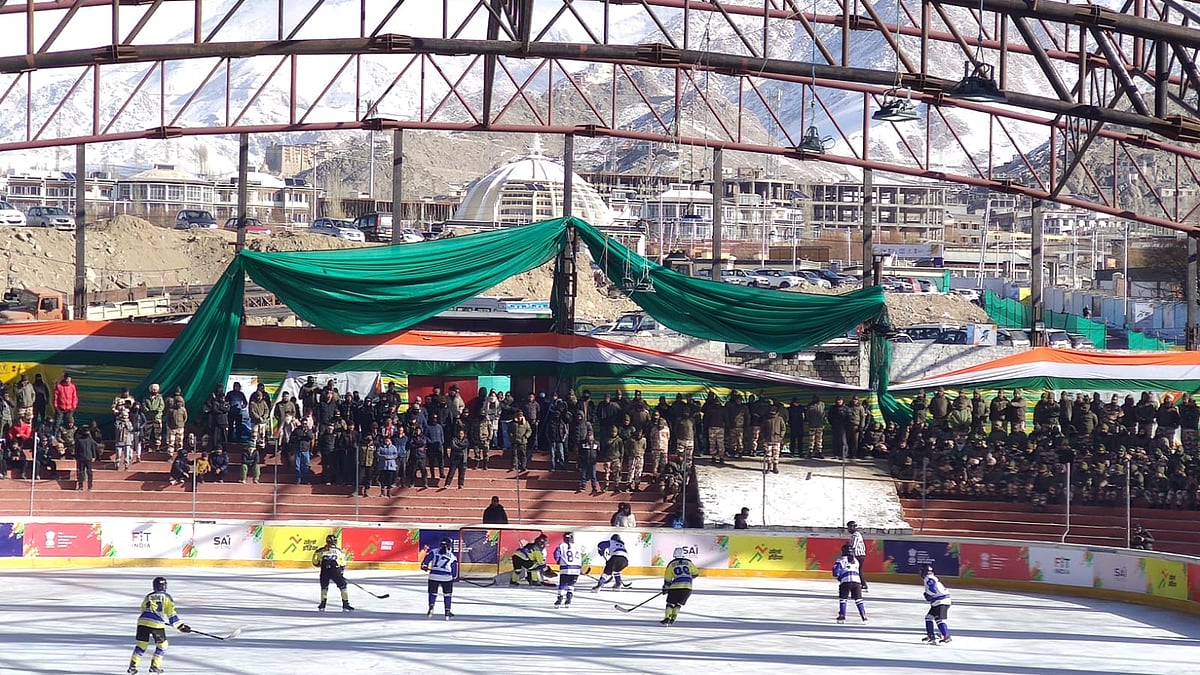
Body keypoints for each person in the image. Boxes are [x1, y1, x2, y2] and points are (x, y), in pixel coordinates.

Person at [127, 576, 191, 675]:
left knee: (141, 645)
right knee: (162, 645)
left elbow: (143, 609)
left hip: (142, 622)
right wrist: (180, 626)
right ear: (164, 586)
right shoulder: (166, 597)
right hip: (156, 624)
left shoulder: (148, 596)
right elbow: (171, 614)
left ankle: (132, 667)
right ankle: (154, 666)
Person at [311, 534, 353, 612]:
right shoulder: (338, 551)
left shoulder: (320, 550)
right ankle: (345, 604)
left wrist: (319, 563)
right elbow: (342, 562)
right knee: (343, 585)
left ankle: (322, 604)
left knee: (324, 587)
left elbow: (315, 561)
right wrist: (341, 572)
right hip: (335, 570)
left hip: (324, 570)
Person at [421, 537, 459, 619]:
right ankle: (447, 611)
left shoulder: (434, 551)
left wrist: (424, 566)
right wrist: (454, 577)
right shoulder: (452, 556)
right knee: (447, 594)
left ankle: (431, 607)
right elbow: (454, 571)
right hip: (446, 577)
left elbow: (425, 562)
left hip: (433, 575)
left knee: (432, 592)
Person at [661, 546, 699, 625]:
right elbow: (696, 573)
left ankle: (667, 617)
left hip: (675, 587)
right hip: (687, 587)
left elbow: (668, 578)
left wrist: (666, 587)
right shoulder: (689, 562)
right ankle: (673, 618)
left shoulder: (671, 564)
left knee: (670, 603)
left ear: (674, 555)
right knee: (678, 604)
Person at [833, 544, 867, 623]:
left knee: (843, 599)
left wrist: (840, 577)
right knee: (859, 600)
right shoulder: (856, 561)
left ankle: (842, 616)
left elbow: (835, 573)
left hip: (845, 581)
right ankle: (863, 616)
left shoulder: (840, 560)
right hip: (857, 582)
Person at [920, 563, 952, 644]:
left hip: (941, 601)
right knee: (928, 617)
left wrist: (929, 595)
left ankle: (946, 636)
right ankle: (930, 636)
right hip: (939, 601)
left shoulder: (929, 579)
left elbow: (933, 589)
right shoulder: (931, 577)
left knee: (939, 619)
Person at [553, 531, 583, 607]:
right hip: (576, 569)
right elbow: (580, 557)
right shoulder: (577, 546)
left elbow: (556, 555)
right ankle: (569, 599)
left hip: (565, 568)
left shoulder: (561, 546)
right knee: (571, 585)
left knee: (562, 585)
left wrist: (558, 561)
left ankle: (560, 598)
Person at [846, 520, 869, 592]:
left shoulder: (856, 535)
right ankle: (862, 584)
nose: (848, 529)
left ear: (853, 527)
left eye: (849, 527)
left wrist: (849, 553)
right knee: (858, 570)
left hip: (858, 555)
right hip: (859, 555)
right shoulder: (855, 535)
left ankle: (859, 585)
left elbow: (853, 546)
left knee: (855, 570)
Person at [74, 424, 98, 491]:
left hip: (89, 458)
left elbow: (93, 447)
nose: (87, 432)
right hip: (81, 458)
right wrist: (76, 457)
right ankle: (80, 486)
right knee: (81, 472)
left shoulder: (90, 439)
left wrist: (94, 456)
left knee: (89, 473)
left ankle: (90, 486)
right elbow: (76, 449)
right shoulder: (78, 439)